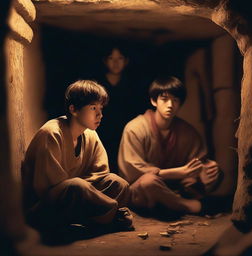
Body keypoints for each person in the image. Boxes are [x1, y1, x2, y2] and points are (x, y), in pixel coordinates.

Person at [21, 80, 133, 232]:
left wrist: (90, 194)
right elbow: (50, 188)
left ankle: (98, 219)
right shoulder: (52, 133)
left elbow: (99, 175)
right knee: (76, 186)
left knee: (119, 184)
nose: (100, 114)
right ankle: (109, 216)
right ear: (73, 109)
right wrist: (98, 199)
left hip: (78, 197)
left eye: (101, 108)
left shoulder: (90, 134)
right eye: (93, 108)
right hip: (46, 207)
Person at [118, 76, 220, 215]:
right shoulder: (135, 128)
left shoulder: (188, 132)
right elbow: (131, 171)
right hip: (143, 191)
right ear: (154, 101)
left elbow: (196, 164)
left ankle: (171, 204)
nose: (170, 105)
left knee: (216, 171)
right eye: (164, 99)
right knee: (148, 182)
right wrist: (178, 172)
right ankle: (186, 206)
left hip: (175, 189)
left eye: (175, 100)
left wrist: (205, 171)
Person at [96, 45, 143, 173]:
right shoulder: (97, 84)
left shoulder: (132, 84)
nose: (116, 63)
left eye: (120, 58)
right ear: (105, 61)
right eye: (111, 58)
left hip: (125, 132)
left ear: (126, 61)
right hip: (101, 132)